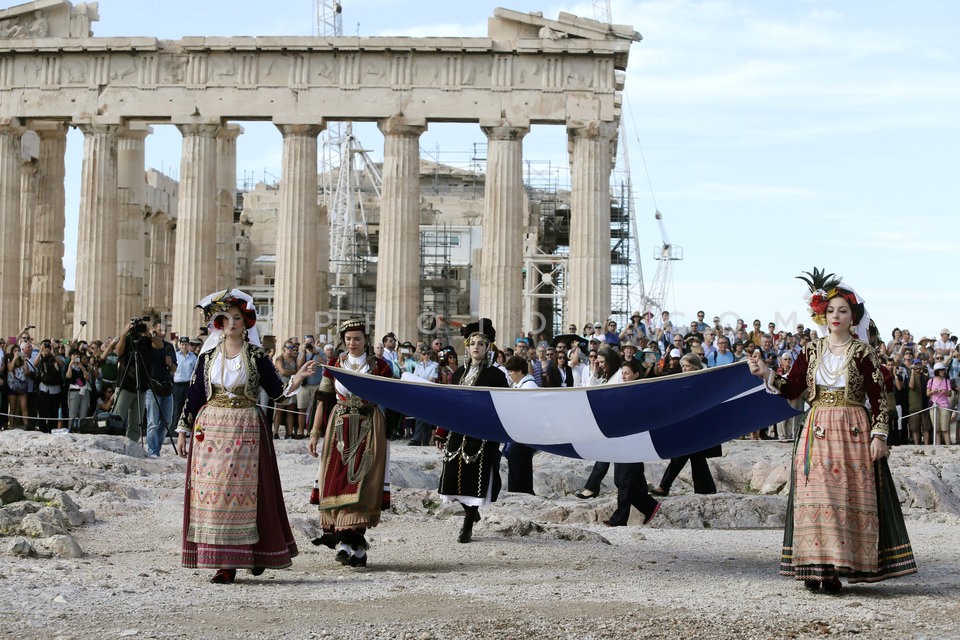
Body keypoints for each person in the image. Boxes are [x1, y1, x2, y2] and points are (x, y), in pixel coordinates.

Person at [748, 269, 917, 593]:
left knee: (845, 499)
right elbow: (793, 387)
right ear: (821, 314)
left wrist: (879, 436)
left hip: (853, 432)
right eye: (831, 310)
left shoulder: (864, 353)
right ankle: (816, 567)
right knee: (815, 498)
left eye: (843, 310)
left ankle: (838, 568)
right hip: (817, 429)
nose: (836, 315)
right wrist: (767, 372)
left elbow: (879, 399)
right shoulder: (811, 351)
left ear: (853, 316)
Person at [175, 289, 307, 584]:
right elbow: (194, 394)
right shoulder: (207, 356)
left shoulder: (257, 355)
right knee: (214, 494)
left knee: (248, 493)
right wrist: (184, 430)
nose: (231, 323)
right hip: (210, 430)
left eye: (237, 318)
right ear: (217, 323)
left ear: (246, 322)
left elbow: (277, 394)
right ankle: (223, 562)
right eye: (225, 318)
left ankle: (252, 553)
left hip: (246, 427)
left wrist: (296, 380)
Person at [308, 318, 393, 567]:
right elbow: (323, 399)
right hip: (339, 427)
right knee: (337, 480)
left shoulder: (380, 367)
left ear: (366, 339)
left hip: (369, 426)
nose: (352, 343)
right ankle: (351, 546)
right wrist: (315, 433)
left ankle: (351, 545)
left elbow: (393, 397)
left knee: (364, 481)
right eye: (348, 339)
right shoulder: (334, 364)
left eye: (357, 339)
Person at [433, 319, 509, 543]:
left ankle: (467, 524)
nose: (476, 347)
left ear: (488, 348)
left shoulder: (496, 376)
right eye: (472, 343)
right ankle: (471, 513)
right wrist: (441, 431)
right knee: (454, 478)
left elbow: (502, 405)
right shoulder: (458, 374)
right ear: (467, 346)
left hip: (481, 434)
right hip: (457, 433)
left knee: (474, 479)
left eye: (481, 344)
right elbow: (450, 405)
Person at [650, 354, 718, 497]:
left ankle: (665, 486)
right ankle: (705, 488)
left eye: (687, 366)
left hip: (697, 424)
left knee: (684, 454)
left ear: (695, 366)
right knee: (695, 456)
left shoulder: (702, 380)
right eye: (683, 366)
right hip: (687, 424)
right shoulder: (683, 380)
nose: (684, 369)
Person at [604, 359, 661, 527]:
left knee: (625, 481)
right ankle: (649, 506)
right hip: (622, 440)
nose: (624, 377)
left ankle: (619, 519)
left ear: (636, 374)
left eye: (627, 373)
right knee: (624, 480)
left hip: (635, 441)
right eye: (622, 374)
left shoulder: (641, 392)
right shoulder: (622, 390)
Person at [573, 347, 623, 499]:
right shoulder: (607, 375)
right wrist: (595, 372)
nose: (600, 364)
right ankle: (592, 487)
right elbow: (589, 390)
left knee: (619, 460)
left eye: (602, 362)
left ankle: (592, 487)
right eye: (598, 362)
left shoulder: (620, 375)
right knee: (606, 455)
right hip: (609, 422)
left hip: (618, 422)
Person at [504, 355, 538, 495]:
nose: (510, 375)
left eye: (511, 371)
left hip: (526, 431)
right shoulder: (521, 385)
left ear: (519, 371)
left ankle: (522, 490)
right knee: (516, 458)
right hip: (519, 430)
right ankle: (519, 489)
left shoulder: (529, 386)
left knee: (517, 457)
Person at [172, 337, 198, 444]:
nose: (184, 346)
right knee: (177, 407)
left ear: (188, 345)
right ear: (179, 345)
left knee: (187, 407)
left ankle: (188, 429)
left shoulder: (193, 357)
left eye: (185, 344)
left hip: (188, 383)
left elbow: (195, 370)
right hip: (177, 384)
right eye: (182, 344)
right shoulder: (176, 355)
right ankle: (174, 430)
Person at [927, 362, 952, 445]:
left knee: (945, 429)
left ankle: (948, 447)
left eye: (943, 370)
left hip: (944, 406)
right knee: (936, 430)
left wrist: (945, 391)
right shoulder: (931, 381)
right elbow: (927, 394)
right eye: (941, 370)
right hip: (934, 406)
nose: (943, 371)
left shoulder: (947, 381)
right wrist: (932, 391)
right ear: (937, 371)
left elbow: (950, 394)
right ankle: (937, 448)